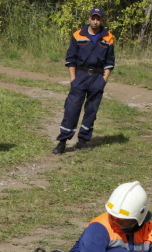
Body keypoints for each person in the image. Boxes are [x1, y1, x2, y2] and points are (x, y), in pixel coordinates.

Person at [52, 7, 114, 155]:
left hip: (97, 78)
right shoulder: (78, 34)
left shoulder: (108, 37)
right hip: (80, 76)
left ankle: (83, 141)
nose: (95, 21)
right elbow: (70, 59)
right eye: (93, 18)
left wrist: (103, 81)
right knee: (72, 109)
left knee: (91, 111)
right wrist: (73, 79)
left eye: (98, 18)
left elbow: (110, 62)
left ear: (102, 20)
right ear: (89, 18)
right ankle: (62, 142)